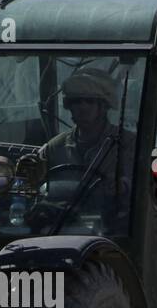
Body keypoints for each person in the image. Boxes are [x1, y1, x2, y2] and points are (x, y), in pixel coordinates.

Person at [37, 67, 136, 233]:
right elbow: (36, 192)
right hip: (63, 228)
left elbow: (151, 189)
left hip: (115, 231)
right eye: (76, 101)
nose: (82, 107)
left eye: (89, 101)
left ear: (104, 106)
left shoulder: (129, 144)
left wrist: (124, 185)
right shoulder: (54, 148)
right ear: (69, 106)